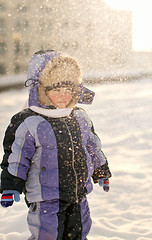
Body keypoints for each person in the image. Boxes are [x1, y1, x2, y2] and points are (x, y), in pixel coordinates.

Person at [0, 50, 112, 240]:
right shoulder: (30, 121)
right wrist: (11, 185)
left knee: (80, 231)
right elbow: (17, 157)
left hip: (78, 194)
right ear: (41, 91)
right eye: (56, 90)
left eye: (68, 90)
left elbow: (92, 148)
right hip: (46, 198)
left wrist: (101, 171)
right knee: (48, 235)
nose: (63, 96)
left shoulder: (79, 117)